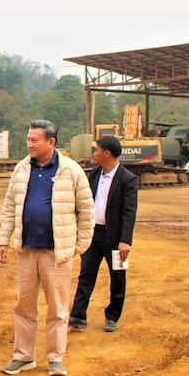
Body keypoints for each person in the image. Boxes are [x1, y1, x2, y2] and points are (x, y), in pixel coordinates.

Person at [0, 119, 94, 376]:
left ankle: (55, 358)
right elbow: (9, 207)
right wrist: (3, 239)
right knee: (24, 306)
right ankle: (23, 357)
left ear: (51, 142)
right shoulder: (21, 169)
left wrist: (79, 245)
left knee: (58, 309)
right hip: (27, 251)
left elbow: (87, 210)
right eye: (28, 139)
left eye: (34, 140)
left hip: (56, 253)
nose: (29, 144)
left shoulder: (71, 170)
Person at [69, 136, 138, 333]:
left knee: (118, 276)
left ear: (107, 153)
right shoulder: (94, 174)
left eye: (97, 149)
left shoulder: (128, 179)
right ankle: (78, 315)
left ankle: (112, 316)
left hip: (116, 239)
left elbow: (129, 212)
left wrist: (125, 241)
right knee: (86, 273)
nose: (94, 153)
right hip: (93, 234)